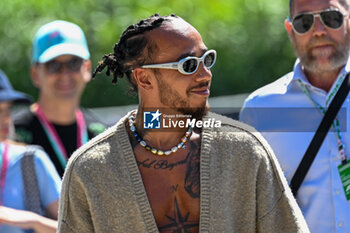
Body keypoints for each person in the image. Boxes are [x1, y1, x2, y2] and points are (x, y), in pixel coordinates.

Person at [57, 14, 309, 233]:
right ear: (144, 78)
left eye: (206, 59)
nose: (205, 74)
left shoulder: (245, 151)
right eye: (188, 65)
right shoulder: (91, 169)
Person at [240, 0, 350, 232]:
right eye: (304, 22)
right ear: (290, 31)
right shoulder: (260, 110)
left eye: (331, 18)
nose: (319, 31)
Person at [13, 20, 106, 177]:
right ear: (35, 74)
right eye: (53, 65)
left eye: (74, 63)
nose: (65, 74)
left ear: (87, 68)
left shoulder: (101, 135)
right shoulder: (15, 135)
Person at [0, 69, 61, 233]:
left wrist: (33, 221)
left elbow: (76, 227)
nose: (6, 118)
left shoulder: (31, 159)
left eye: (8, 109)